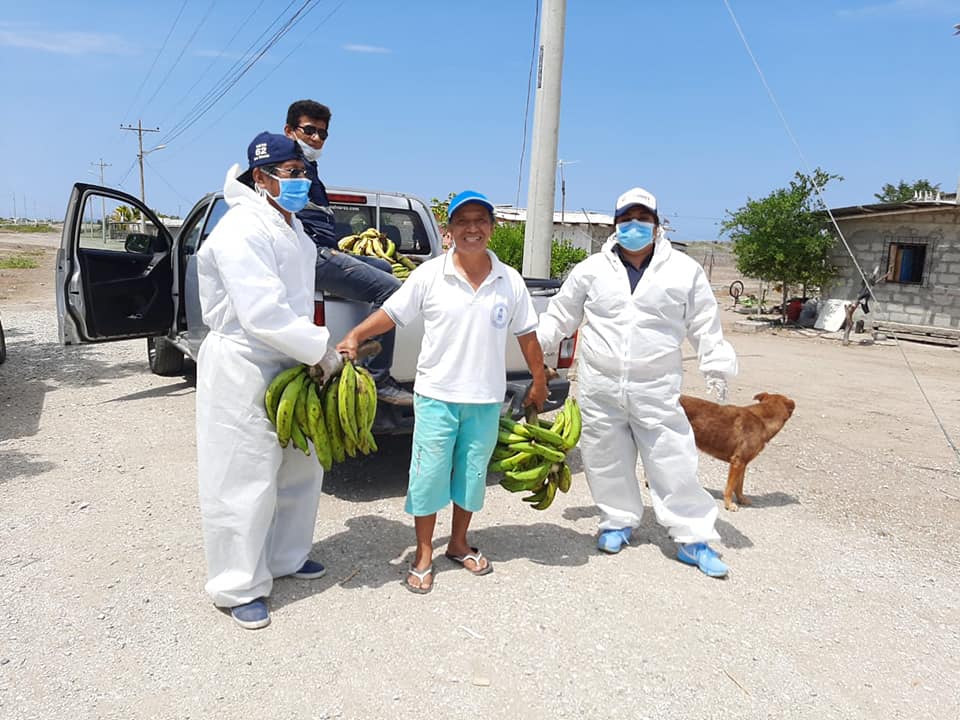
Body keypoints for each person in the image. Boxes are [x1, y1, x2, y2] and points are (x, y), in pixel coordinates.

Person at [336, 190, 548, 593]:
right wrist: (356, 335)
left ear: (492, 227)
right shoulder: (430, 275)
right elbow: (391, 313)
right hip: (436, 397)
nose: (472, 229)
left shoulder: (510, 280)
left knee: (472, 476)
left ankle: (458, 543)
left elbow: (527, 336)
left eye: (480, 220)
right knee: (428, 478)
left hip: (485, 399)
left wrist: (539, 381)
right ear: (449, 230)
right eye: (462, 221)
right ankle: (422, 553)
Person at [536, 187, 738, 578]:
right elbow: (561, 314)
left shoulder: (683, 270)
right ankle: (617, 521)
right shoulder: (591, 269)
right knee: (605, 456)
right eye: (627, 219)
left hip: (656, 385)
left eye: (643, 219)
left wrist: (715, 362)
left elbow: (703, 321)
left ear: (657, 224)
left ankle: (693, 538)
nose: (635, 226)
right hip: (600, 383)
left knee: (672, 459)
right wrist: (533, 345)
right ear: (615, 225)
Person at [195, 132, 343, 629]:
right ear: (261, 177)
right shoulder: (241, 228)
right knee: (244, 476)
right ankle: (238, 585)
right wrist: (322, 349)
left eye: (303, 172)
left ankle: (286, 556)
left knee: (300, 465)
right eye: (291, 173)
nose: (301, 181)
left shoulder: (291, 227)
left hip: (291, 361)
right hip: (245, 363)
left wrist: (310, 351)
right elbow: (261, 312)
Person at [283, 99, 413, 407]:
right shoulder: (287, 168)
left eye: (323, 134)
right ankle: (377, 378)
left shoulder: (309, 167)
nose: (316, 138)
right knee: (394, 291)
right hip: (311, 255)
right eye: (309, 131)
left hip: (325, 249)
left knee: (384, 267)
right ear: (290, 131)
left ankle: (369, 341)